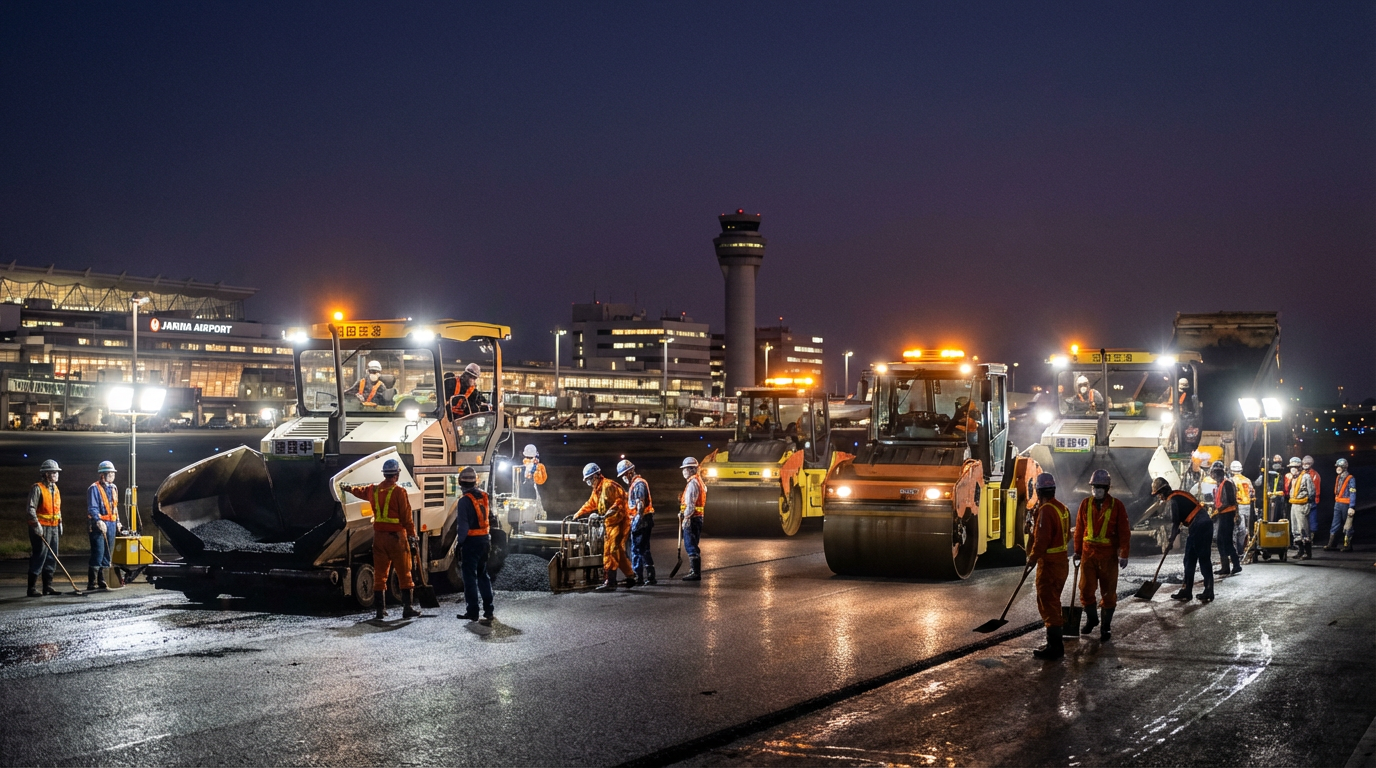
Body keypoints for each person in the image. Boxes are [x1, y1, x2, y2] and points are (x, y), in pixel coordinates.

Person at [342, 459, 419, 620]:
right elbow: (407, 518)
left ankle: (380, 610)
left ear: (384, 474)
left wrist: (347, 488)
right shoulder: (399, 492)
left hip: (379, 538)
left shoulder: (373, 490)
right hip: (397, 538)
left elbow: (359, 491)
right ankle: (407, 608)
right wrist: (413, 536)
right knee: (404, 573)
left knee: (380, 574)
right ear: (396, 475)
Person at [1073, 469, 1129, 642]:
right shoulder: (1085, 504)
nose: (1096, 489)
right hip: (1088, 555)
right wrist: (1077, 551)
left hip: (1108, 557)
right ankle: (1092, 619)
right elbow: (1079, 529)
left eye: (1100, 487)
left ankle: (1106, 627)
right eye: (1094, 486)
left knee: (1108, 593)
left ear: (1107, 488)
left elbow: (1124, 531)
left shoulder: (1117, 505)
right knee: (1085, 589)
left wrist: (1124, 554)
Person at [1027, 472, 1069, 660]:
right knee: (1054, 601)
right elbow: (1066, 535)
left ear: (1038, 491)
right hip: (1061, 563)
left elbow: (1042, 540)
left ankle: (1055, 647)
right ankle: (1054, 643)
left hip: (1050, 566)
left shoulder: (1046, 510)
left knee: (1048, 603)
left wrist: (1032, 558)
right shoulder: (1063, 508)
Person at [575, 463, 636, 591]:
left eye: (589, 479)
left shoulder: (608, 486)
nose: (589, 482)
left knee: (611, 550)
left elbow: (621, 500)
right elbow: (591, 503)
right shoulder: (597, 490)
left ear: (596, 476)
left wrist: (612, 510)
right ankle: (631, 576)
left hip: (619, 521)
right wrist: (579, 513)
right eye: (587, 480)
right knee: (617, 550)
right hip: (610, 523)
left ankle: (610, 581)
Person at [1154, 477, 1213, 602]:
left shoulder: (1172, 500)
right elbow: (1180, 520)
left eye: (1158, 494)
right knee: (1189, 559)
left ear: (1163, 491)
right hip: (1200, 524)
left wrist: (1171, 541)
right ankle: (1187, 590)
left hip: (1199, 525)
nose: (1159, 497)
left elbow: (1175, 523)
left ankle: (1208, 590)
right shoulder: (1178, 496)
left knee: (1202, 558)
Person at [454, 466, 494, 625]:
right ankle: (489, 610)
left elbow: (462, 526)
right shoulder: (484, 496)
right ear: (476, 482)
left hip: (471, 543)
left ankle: (472, 612)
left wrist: (459, 543)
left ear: (460, 483)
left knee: (470, 578)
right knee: (483, 575)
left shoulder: (464, 501)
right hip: (485, 540)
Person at [27, 459, 63, 597]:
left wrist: (60, 522)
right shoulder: (37, 488)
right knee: (39, 556)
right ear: (46, 474)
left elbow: (57, 509)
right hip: (41, 528)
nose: (56, 475)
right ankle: (31, 588)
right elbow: (30, 509)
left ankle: (48, 586)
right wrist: (36, 525)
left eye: (57, 472)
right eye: (53, 472)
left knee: (52, 557)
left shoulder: (55, 489)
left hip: (53, 528)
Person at [618, 459, 656, 585]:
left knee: (636, 549)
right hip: (644, 519)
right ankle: (651, 577)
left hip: (642, 520)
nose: (623, 478)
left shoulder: (639, 484)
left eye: (623, 475)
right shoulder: (636, 484)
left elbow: (640, 506)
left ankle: (637, 577)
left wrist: (636, 523)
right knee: (644, 549)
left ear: (630, 472)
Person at [86, 461, 119, 591]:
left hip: (111, 524)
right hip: (98, 525)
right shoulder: (94, 488)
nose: (112, 475)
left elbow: (114, 507)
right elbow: (92, 507)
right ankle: (92, 582)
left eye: (113, 473)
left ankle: (103, 580)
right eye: (109, 473)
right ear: (102, 475)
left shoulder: (113, 488)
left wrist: (118, 522)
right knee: (98, 553)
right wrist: (98, 521)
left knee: (107, 554)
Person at [1209, 461, 1241, 576]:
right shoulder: (1219, 484)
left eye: (1215, 473)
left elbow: (1230, 501)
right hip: (1223, 515)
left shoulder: (1226, 483)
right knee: (1221, 541)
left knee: (1225, 541)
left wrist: (1218, 510)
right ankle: (1226, 566)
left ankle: (1235, 565)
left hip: (1227, 515)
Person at [679, 456, 707, 582]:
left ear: (691, 470)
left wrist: (686, 518)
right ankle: (694, 570)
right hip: (698, 517)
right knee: (693, 544)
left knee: (690, 545)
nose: (683, 471)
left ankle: (695, 572)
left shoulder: (692, 484)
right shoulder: (699, 481)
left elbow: (691, 504)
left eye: (685, 469)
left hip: (693, 518)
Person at [1285, 456, 1315, 560]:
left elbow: (1311, 491)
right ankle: (1300, 550)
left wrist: (1308, 503)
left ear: (1299, 467)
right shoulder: (1292, 478)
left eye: (1294, 467)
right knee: (1295, 529)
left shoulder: (1305, 477)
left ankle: (1307, 552)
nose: (1292, 469)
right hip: (1294, 504)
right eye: (1291, 467)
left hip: (1302, 505)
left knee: (1303, 528)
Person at [1327, 458, 1357, 552]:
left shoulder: (1350, 478)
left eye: (1339, 466)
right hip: (1338, 503)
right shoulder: (1339, 477)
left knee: (1348, 525)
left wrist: (1352, 506)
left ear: (1344, 467)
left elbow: (1352, 492)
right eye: (1337, 466)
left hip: (1346, 504)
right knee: (1335, 524)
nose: (1337, 468)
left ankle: (1347, 545)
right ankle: (1332, 544)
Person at [1230, 461, 1254, 555]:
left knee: (1238, 529)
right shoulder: (1247, 480)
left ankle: (1237, 550)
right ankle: (1241, 550)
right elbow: (1252, 494)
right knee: (1244, 529)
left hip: (1238, 507)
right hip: (1247, 506)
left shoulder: (1231, 481)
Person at [1302, 455, 1322, 539]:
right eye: (1305, 463)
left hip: (1311, 500)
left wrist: (1315, 498)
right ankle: (1303, 536)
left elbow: (1317, 488)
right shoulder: (1301, 473)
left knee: (1312, 518)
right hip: (1302, 500)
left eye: (1308, 463)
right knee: (1303, 519)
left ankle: (1311, 536)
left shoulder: (1315, 475)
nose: (1306, 464)